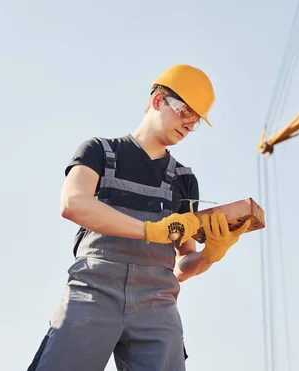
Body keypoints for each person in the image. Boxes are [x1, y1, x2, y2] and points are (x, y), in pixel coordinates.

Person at [27, 64, 251, 371]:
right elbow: (73, 203)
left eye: (196, 121)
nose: (189, 125)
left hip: (157, 304)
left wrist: (211, 255)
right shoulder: (99, 153)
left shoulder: (183, 180)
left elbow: (183, 265)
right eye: (186, 112)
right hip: (94, 291)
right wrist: (151, 231)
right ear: (159, 100)